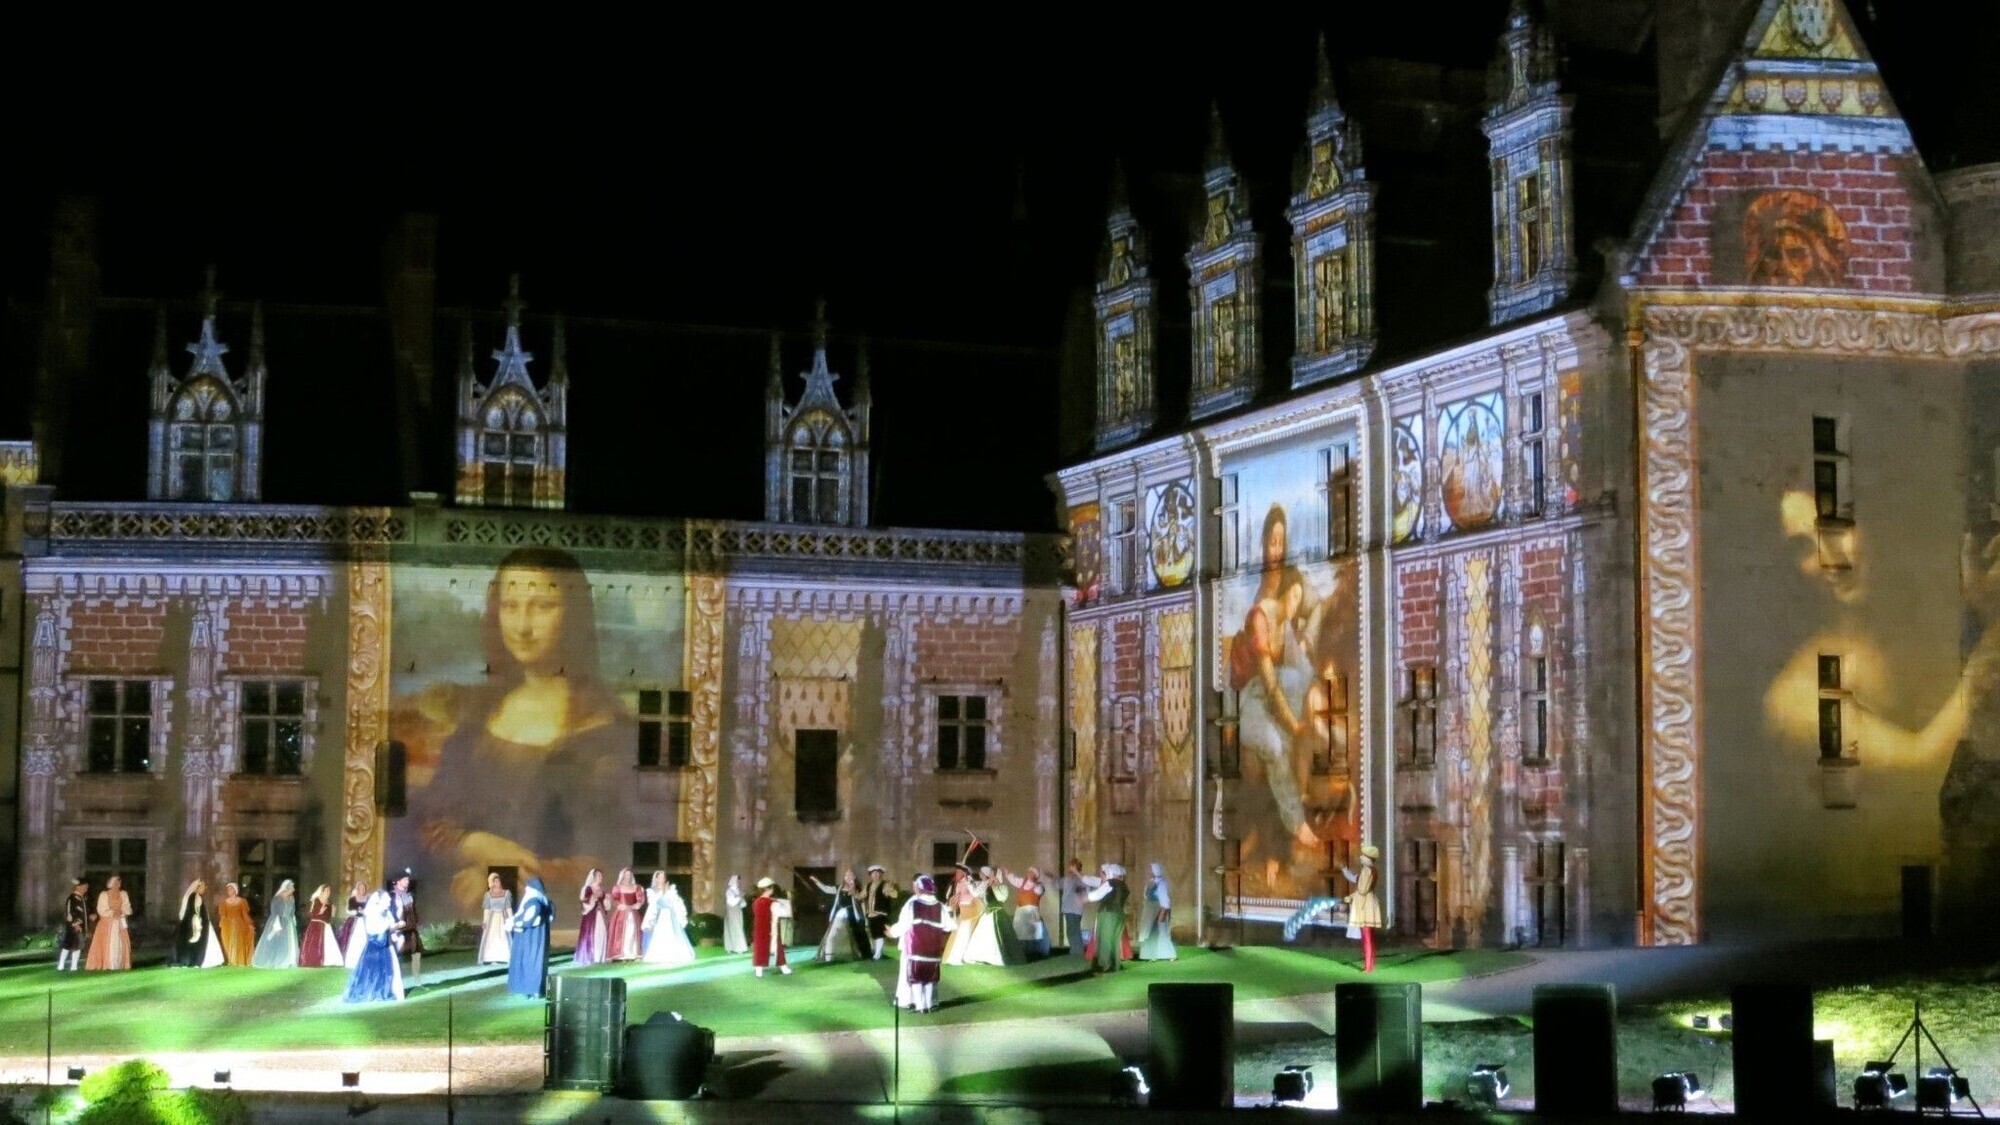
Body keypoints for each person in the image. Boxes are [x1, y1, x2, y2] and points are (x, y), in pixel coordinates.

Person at [392, 547, 636, 922]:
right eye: (510, 606)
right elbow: (430, 824)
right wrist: (476, 844)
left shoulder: (602, 730)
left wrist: (500, 876)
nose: (522, 625)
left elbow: (604, 862)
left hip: (551, 920)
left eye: (542, 607)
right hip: (456, 915)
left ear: (573, 615)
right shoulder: (480, 715)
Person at [888, 874, 955, 1013]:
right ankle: (930, 1004)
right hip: (933, 951)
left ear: (919, 888)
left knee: (915, 978)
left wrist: (892, 932)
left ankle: (919, 1006)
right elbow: (950, 925)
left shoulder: (913, 904)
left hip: (916, 949)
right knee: (930, 978)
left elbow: (904, 924)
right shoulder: (939, 906)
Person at [344, 890, 404, 1003]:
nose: (389, 902)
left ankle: (391, 990)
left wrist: (396, 927)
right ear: (379, 900)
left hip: (387, 944)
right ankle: (376, 992)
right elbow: (374, 930)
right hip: (375, 946)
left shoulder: (387, 912)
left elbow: (390, 926)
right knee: (373, 972)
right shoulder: (372, 912)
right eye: (386, 900)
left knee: (391, 968)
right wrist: (395, 925)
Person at [806, 868, 869, 963]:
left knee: (857, 934)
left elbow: (861, 899)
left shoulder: (858, 888)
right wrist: (816, 881)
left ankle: (863, 955)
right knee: (832, 935)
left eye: (850, 875)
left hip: (853, 915)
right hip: (841, 914)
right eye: (846, 875)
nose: (848, 877)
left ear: (854, 877)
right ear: (844, 877)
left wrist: (853, 890)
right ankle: (830, 956)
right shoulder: (839, 888)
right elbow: (826, 889)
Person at [1340, 845, 1384, 973]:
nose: (1361, 857)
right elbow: (1358, 882)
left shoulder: (1367, 871)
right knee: (1368, 936)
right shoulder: (1369, 871)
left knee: (1367, 936)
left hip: (1365, 905)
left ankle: (1368, 966)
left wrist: (1351, 897)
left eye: (1363, 856)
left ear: (1368, 859)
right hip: (1367, 903)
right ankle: (1369, 965)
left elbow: (1362, 890)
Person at [507, 877, 553, 998]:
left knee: (528, 962)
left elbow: (528, 920)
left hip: (528, 939)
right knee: (537, 962)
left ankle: (528, 988)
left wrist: (513, 923)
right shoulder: (546, 903)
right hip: (539, 940)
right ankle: (535, 989)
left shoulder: (533, 902)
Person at [1086, 864, 1131, 974]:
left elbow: (1097, 894)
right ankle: (1115, 964)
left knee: (1105, 939)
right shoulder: (1124, 886)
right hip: (1118, 914)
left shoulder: (1110, 883)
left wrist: (1085, 898)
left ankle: (1105, 964)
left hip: (1107, 914)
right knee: (1115, 940)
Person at [643, 875, 695, 965]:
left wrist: (667, 892)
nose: (662, 879)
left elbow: (675, 903)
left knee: (671, 932)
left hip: (670, 916)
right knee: (661, 934)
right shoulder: (653, 891)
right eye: (660, 877)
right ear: (657, 879)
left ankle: (674, 954)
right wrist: (662, 892)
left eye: (663, 877)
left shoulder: (671, 890)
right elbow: (656, 904)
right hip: (661, 916)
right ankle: (660, 955)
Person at [85, 875, 133, 971]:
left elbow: (127, 906)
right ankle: (109, 964)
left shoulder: (123, 894)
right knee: (108, 943)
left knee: (120, 944)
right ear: (110, 884)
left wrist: (122, 912)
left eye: (119, 882)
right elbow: (101, 909)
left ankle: (119, 963)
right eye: (115, 882)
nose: (117, 884)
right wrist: (112, 913)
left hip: (120, 922)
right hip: (107, 923)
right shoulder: (104, 895)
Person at [171, 879, 222, 968]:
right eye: (203, 887)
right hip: (197, 922)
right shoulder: (194, 896)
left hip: (201, 922)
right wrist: (198, 921)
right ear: (198, 887)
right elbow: (195, 911)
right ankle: (195, 960)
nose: (204, 889)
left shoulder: (195, 896)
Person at [1002, 867, 1050, 959]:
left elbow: (1039, 891)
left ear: (1035, 875)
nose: (1029, 874)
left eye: (1031, 873)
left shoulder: (1038, 886)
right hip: (1020, 912)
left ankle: (1034, 954)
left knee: (1031, 934)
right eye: (1029, 872)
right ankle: (1021, 953)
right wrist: (1008, 874)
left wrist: (1034, 882)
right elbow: (1014, 880)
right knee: (1020, 933)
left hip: (1031, 912)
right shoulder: (1022, 882)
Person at [251, 879, 301, 968]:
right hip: (278, 922)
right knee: (278, 941)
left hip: (288, 923)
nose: (293, 889)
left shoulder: (291, 898)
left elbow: (292, 911)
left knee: (289, 941)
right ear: (287, 888)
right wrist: (276, 926)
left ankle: (288, 960)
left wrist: (293, 920)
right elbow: (274, 912)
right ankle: (276, 960)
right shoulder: (278, 898)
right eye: (292, 887)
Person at [750, 877, 792, 977]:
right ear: (768, 889)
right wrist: (788, 901)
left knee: (760, 948)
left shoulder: (756, 902)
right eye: (772, 888)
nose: (773, 889)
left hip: (758, 930)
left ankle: (759, 971)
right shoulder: (773, 902)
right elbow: (785, 913)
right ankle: (784, 968)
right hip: (771, 930)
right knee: (778, 949)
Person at [1057, 859, 1099, 955]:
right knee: (1074, 930)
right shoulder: (1083, 879)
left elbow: (1057, 884)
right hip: (1077, 909)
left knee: (1072, 931)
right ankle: (1076, 951)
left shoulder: (1071, 879)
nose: (1069, 868)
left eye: (1071, 866)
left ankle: (1077, 952)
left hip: (1071, 909)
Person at [1136, 864, 1177, 962]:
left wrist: (1162, 913)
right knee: (1150, 933)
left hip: (1158, 910)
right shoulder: (1150, 882)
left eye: (1150, 870)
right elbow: (1146, 897)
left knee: (1161, 932)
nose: (1149, 871)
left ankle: (1169, 954)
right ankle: (1152, 954)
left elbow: (1165, 900)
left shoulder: (1161, 883)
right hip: (1149, 911)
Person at [389, 870, 424, 984]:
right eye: (405, 879)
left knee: (416, 954)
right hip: (399, 930)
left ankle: (417, 981)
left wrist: (416, 922)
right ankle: (395, 981)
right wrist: (394, 929)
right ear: (398, 881)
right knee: (397, 956)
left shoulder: (409, 896)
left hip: (411, 928)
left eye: (408, 879)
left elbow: (413, 912)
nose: (407, 881)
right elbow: (391, 914)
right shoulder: (392, 896)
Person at [859, 865, 899, 960]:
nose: (876, 875)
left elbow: (895, 895)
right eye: (873, 873)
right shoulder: (868, 885)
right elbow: (860, 896)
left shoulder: (885, 885)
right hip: (870, 914)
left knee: (879, 934)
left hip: (880, 913)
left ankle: (877, 955)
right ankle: (876, 952)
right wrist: (853, 892)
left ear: (881, 874)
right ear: (870, 875)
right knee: (873, 934)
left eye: (878, 873)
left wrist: (891, 889)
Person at [606, 868, 645, 961]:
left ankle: (632, 953)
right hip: (621, 913)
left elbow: (640, 899)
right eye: (626, 875)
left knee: (632, 931)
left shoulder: (636, 887)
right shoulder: (618, 887)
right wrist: (621, 905)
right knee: (621, 933)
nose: (628, 877)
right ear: (622, 876)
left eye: (630, 875)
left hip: (633, 912)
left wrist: (636, 905)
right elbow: (615, 899)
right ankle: (621, 954)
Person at [299, 885, 342, 968]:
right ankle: (313, 960)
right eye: (326, 890)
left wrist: (333, 911)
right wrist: (319, 911)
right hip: (316, 926)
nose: (328, 892)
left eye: (329, 891)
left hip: (326, 926)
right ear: (322, 891)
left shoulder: (329, 903)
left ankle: (328, 961)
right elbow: (310, 914)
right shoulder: (316, 900)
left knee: (328, 944)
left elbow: (330, 917)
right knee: (315, 944)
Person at [216, 882, 256, 965]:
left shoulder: (242, 901)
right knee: (227, 942)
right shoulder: (224, 903)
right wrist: (222, 925)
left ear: (235, 890)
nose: (229, 890)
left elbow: (245, 915)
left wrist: (250, 924)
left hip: (239, 925)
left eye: (231, 889)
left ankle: (239, 961)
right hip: (228, 925)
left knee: (239, 942)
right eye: (228, 889)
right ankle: (230, 960)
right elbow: (223, 916)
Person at [573, 867, 607, 966]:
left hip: (600, 915)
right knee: (591, 933)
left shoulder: (601, 890)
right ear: (594, 877)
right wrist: (591, 901)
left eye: (601, 876)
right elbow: (583, 902)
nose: (601, 877)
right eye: (599, 876)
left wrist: (606, 902)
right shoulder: (588, 889)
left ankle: (599, 956)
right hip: (590, 916)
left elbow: (603, 903)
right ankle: (591, 956)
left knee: (601, 932)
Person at [478, 872, 514, 965]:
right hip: (492, 920)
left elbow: (508, 908)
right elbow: (486, 909)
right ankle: (492, 958)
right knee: (491, 938)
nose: (498, 883)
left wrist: (511, 919)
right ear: (492, 883)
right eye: (495, 881)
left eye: (498, 881)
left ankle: (506, 957)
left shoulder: (506, 893)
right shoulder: (488, 895)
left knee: (503, 937)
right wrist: (485, 921)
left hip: (503, 918)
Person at [57, 878, 89, 971]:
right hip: (73, 927)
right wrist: (75, 924)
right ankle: (61, 964)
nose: (86, 889)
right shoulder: (72, 898)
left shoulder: (83, 899)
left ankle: (74, 966)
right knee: (68, 945)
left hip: (81, 926)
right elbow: (69, 913)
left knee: (78, 946)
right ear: (78, 887)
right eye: (84, 887)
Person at [336, 881, 368, 967]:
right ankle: (352, 961)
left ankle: (364, 961)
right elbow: (348, 910)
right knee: (353, 941)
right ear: (357, 889)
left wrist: (364, 912)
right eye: (361, 888)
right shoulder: (352, 899)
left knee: (364, 940)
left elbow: (370, 910)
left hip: (364, 922)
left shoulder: (368, 899)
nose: (362, 890)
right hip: (354, 921)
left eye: (364, 888)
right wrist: (356, 912)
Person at [722, 874, 750, 954]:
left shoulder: (738, 891)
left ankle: (736, 947)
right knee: (735, 929)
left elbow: (743, 904)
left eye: (739, 881)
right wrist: (740, 896)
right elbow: (731, 902)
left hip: (738, 912)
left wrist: (742, 897)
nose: (739, 883)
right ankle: (737, 948)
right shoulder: (729, 891)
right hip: (731, 912)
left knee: (738, 928)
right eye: (738, 881)